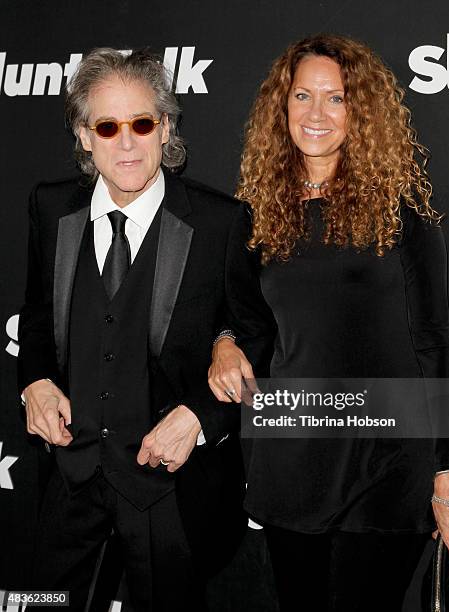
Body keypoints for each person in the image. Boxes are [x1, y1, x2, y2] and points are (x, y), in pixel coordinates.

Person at [208, 34, 449, 611]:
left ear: (362, 113)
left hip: (386, 463)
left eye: (336, 98)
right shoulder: (253, 220)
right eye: (302, 96)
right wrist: (225, 343)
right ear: (281, 108)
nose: (316, 114)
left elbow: (433, 344)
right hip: (291, 461)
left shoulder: (404, 219)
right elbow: (240, 319)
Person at [17, 47, 272, 612]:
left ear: (166, 129)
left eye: (142, 123)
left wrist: (200, 417)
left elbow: (254, 336)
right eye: (107, 126)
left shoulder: (218, 222)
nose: (126, 142)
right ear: (84, 136)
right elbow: (36, 317)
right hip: (70, 475)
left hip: (168, 491)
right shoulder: (49, 208)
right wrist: (33, 380)